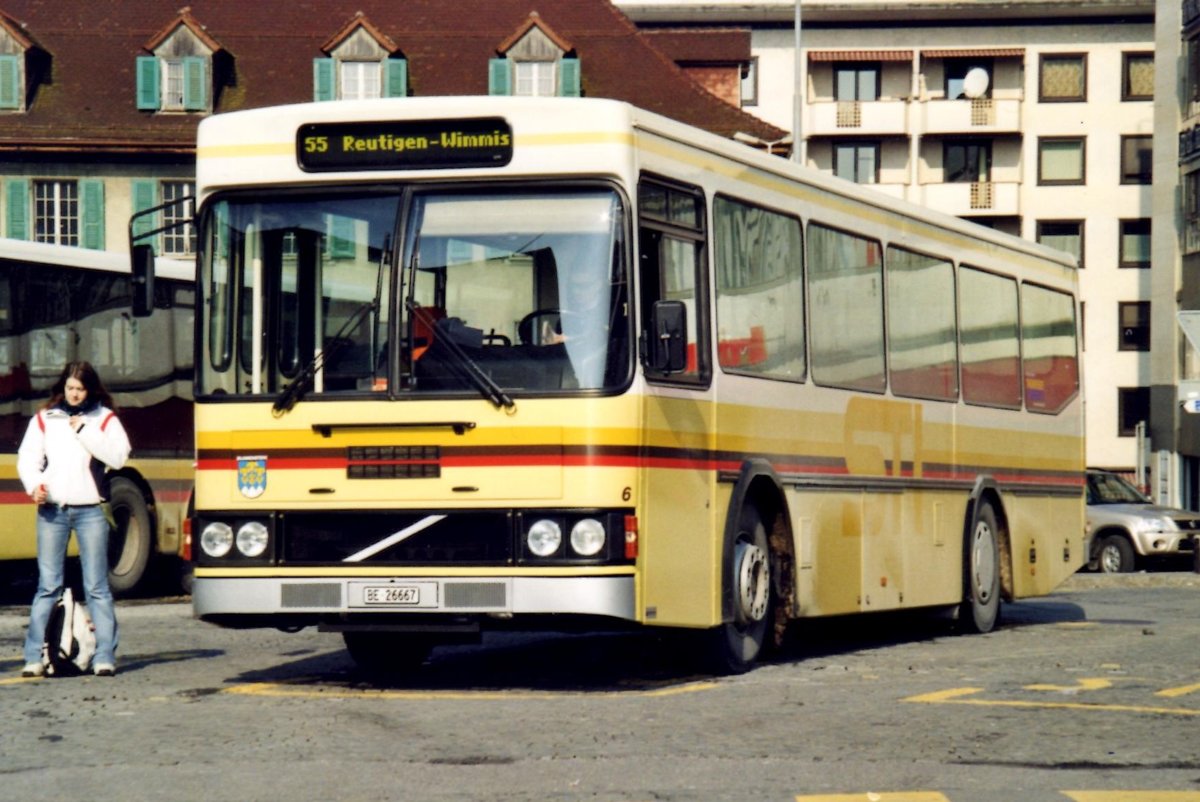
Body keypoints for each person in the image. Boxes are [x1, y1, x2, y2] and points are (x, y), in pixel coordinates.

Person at [16, 361, 130, 677]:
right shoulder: (45, 419)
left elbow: (119, 456)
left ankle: (104, 655)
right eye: (70, 388)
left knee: (96, 586)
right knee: (47, 586)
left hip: (91, 509)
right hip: (53, 509)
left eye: (80, 389)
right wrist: (33, 486)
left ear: (90, 389)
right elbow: (28, 459)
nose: (74, 394)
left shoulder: (104, 418)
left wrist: (84, 430)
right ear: (62, 388)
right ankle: (34, 656)